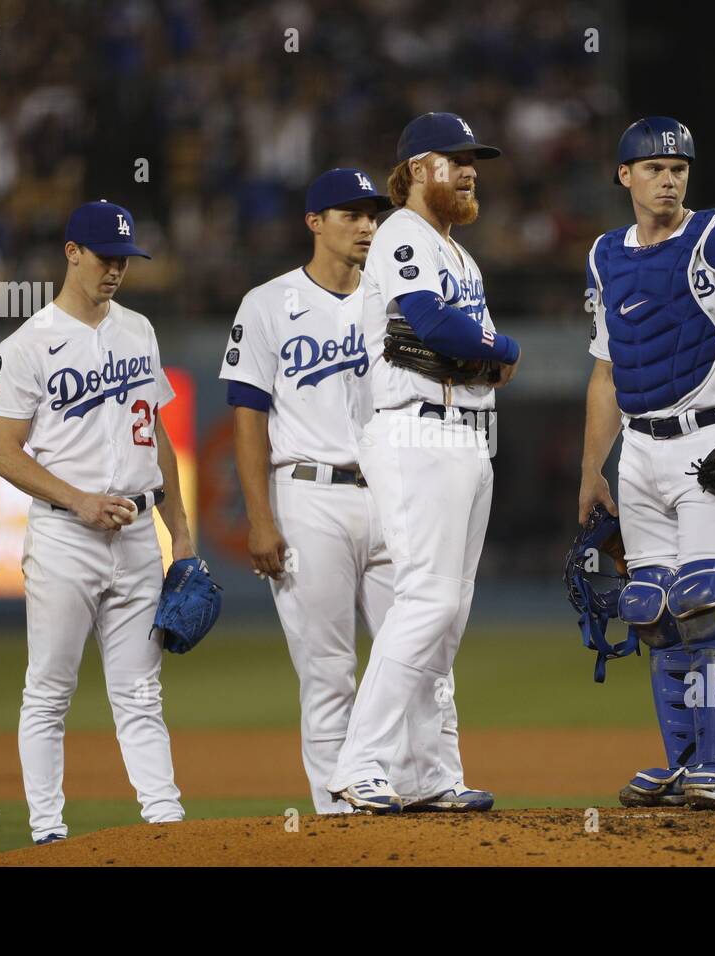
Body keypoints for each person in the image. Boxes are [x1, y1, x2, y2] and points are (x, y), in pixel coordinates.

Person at [222, 168, 459, 813]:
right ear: (314, 223)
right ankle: (337, 815)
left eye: (372, 215)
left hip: (394, 489)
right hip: (309, 494)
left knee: (418, 652)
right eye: (350, 214)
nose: (366, 226)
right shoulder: (267, 303)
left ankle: (428, 786)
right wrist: (259, 518)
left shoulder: (397, 297)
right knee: (327, 673)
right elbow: (247, 418)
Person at [578, 118, 715, 810]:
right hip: (638, 448)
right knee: (652, 611)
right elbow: (607, 373)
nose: (668, 177)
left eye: (678, 167)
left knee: (706, 597)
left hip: (711, 439)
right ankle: (687, 763)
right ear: (625, 177)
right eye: (654, 167)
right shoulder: (605, 255)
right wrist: (592, 471)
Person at [324, 113, 520, 813]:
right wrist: (499, 351)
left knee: (450, 613)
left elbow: (472, 340)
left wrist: (484, 351)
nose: (470, 171)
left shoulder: (459, 255)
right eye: (455, 159)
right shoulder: (403, 233)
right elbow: (435, 328)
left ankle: (429, 772)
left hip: (468, 436)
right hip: (415, 432)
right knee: (427, 601)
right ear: (414, 169)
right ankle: (360, 763)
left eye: (475, 160)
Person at [0, 200, 195, 843]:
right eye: (106, 258)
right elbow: (1, 452)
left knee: (140, 693)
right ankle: (48, 831)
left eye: (125, 261)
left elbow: (155, 430)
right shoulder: (26, 345)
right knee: (49, 692)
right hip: (64, 536)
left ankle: (165, 824)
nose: (116, 271)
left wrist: (180, 531)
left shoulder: (139, 330)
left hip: (136, 533)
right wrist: (77, 499)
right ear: (72, 252)